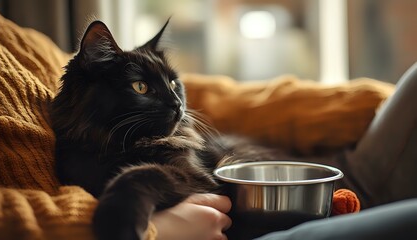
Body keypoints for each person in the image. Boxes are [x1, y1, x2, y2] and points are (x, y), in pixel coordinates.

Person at [149, 61, 417, 240]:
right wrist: (154, 230)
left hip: (335, 175)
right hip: (256, 223)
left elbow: (219, 101)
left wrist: (350, 106)